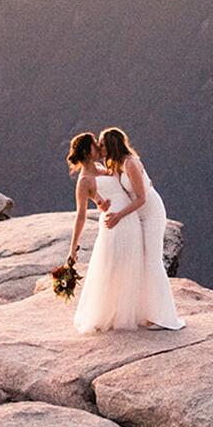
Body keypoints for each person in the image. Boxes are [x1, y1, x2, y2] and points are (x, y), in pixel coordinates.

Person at [68, 126, 184, 333]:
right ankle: (133, 311)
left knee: (151, 261)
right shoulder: (105, 169)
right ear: (87, 152)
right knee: (131, 264)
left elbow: (140, 195)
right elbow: (90, 204)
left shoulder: (126, 163)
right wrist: (101, 205)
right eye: (96, 145)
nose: (99, 148)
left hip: (144, 214)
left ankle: (165, 316)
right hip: (129, 218)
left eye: (102, 144)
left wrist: (118, 213)